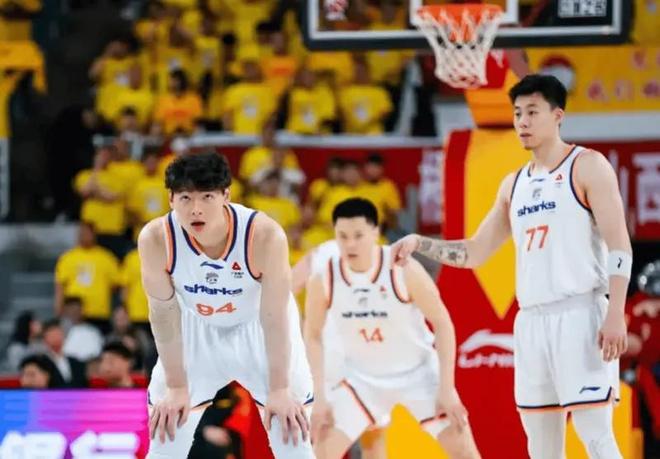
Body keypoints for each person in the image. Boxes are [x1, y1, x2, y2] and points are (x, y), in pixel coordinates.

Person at [391, 74, 632, 459]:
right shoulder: (513, 185)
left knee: (596, 435)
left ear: (558, 115)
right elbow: (474, 252)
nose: (522, 121)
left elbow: (620, 245)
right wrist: (420, 244)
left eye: (532, 112)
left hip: (580, 314)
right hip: (532, 322)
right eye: (518, 113)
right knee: (540, 445)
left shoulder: (587, 166)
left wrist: (615, 312)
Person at [139, 151, 313, 458]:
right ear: (171, 200)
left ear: (226, 196)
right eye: (185, 198)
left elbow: (274, 316)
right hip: (196, 328)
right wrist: (177, 386)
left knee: (292, 440)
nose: (196, 209)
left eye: (206, 197)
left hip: (260, 329)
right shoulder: (156, 238)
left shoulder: (265, 236)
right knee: (165, 440)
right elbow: (164, 314)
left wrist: (279, 388)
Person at [304, 198, 481, 459]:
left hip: (418, 375)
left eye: (358, 236)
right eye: (343, 236)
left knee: (463, 450)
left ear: (375, 233)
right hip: (362, 379)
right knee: (318, 450)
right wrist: (320, 397)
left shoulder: (402, 269)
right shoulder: (324, 277)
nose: (350, 244)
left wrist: (447, 388)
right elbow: (312, 334)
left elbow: (443, 323)